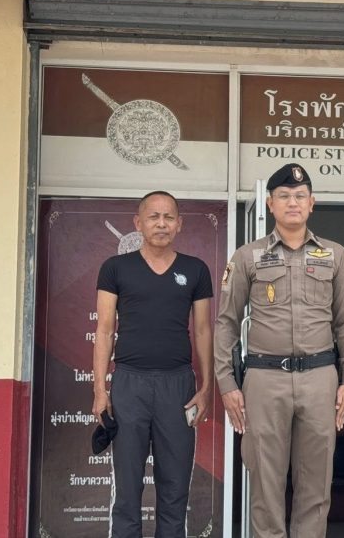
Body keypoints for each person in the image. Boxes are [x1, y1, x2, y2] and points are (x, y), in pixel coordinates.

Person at [213, 164, 344, 538]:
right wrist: (227, 383)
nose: (292, 202)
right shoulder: (247, 256)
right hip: (264, 380)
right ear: (270, 204)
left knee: (316, 484)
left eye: (299, 196)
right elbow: (227, 322)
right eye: (283, 196)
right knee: (265, 482)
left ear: (312, 203)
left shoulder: (335, 255)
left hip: (320, 378)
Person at [91, 190, 214, 538]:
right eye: (153, 217)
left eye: (169, 217)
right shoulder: (115, 268)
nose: (162, 224)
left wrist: (206, 388)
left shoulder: (195, 270)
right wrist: (100, 391)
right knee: (127, 487)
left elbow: (203, 330)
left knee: (175, 487)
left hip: (178, 387)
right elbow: (104, 330)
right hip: (130, 384)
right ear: (138, 223)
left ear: (179, 224)